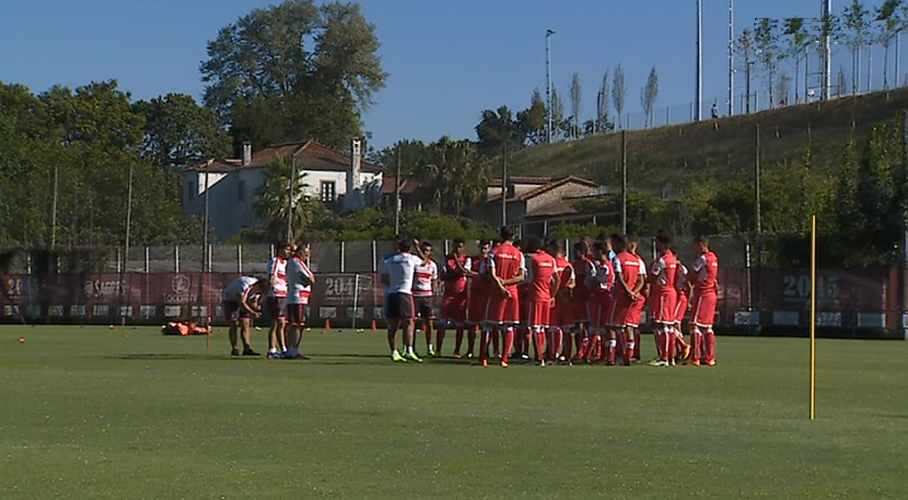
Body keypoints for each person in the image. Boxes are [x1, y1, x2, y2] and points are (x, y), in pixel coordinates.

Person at [481, 226, 526, 368]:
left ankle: (483, 358)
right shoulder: (519, 254)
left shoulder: (494, 252)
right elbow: (521, 276)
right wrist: (507, 284)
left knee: (488, 325)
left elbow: (492, 274)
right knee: (509, 326)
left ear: (500, 236)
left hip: (497, 292)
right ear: (513, 237)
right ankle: (505, 359)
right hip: (512, 292)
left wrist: (501, 286)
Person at [381, 236, 426, 363]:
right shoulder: (412, 259)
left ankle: (394, 352)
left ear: (399, 247)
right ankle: (409, 350)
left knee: (393, 324)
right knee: (409, 322)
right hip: (405, 293)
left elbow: (384, 277)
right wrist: (418, 247)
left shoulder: (390, 260)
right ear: (410, 248)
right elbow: (424, 261)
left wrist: (393, 285)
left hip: (392, 293)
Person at [607, 235, 645, 365]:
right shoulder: (636, 260)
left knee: (613, 326)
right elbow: (641, 279)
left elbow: (619, 277)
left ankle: (612, 358)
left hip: (621, 296)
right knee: (629, 327)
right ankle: (628, 357)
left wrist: (628, 292)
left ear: (618, 244)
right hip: (633, 297)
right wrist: (634, 292)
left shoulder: (618, 259)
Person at [524, 236, 559, 366]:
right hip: (546, 296)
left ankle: (539, 358)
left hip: (535, 296)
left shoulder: (532, 259)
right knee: (543, 327)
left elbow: (527, 277)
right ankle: (542, 355)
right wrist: (552, 295)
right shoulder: (551, 259)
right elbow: (557, 280)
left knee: (535, 327)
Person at [647, 231, 678, 367]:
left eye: (658, 243)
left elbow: (652, 277)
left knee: (662, 324)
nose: (656, 246)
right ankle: (670, 357)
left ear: (663, 244)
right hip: (671, 292)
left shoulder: (662, 261)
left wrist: (642, 279)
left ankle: (664, 357)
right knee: (669, 326)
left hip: (663, 293)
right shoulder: (672, 258)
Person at [688, 235, 719, 366]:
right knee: (707, 327)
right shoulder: (714, 258)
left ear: (701, 245)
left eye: (695, 246)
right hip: (711, 293)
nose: (694, 249)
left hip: (703, 293)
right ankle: (709, 357)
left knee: (694, 324)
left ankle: (695, 358)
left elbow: (692, 276)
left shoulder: (702, 259)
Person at [459, 240, 493, 359]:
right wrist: (480, 275)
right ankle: (470, 350)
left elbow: (490, 275)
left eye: (486, 248)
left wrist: (477, 275)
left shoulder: (491, 259)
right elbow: (466, 271)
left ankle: (486, 350)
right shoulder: (472, 259)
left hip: (487, 293)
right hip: (475, 292)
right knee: (472, 323)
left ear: (489, 248)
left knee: (488, 323)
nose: (483, 250)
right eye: (482, 248)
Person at [438, 238, 472, 357]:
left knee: (460, 324)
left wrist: (457, 263)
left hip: (460, 295)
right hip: (448, 294)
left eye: (459, 247)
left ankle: (457, 350)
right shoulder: (446, 259)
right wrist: (455, 273)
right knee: (442, 322)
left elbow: (464, 272)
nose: (457, 249)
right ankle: (438, 349)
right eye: (455, 247)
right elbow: (443, 275)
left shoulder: (467, 259)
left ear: (463, 248)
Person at [283, 241, 316, 360]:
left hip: (294, 296)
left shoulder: (291, 262)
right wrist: (308, 281)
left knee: (293, 325)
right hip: (299, 298)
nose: (307, 257)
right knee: (298, 325)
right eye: (306, 255)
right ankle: (294, 351)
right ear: (300, 252)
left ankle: (290, 350)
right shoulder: (297, 262)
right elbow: (311, 278)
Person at [223, 276, 268, 356]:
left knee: (246, 323)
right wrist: (253, 313)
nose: (259, 293)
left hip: (245, 299)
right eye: (259, 291)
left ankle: (247, 348)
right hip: (231, 299)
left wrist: (257, 309)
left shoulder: (258, 290)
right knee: (234, 324)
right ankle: (235, 348)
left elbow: (254, 302)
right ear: (257, 286)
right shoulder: (245, 285)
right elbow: (242, 303)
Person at [547, 239, 575, 363]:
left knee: (553, 329)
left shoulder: (552, 263)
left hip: (555, 300)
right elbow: (573, 283)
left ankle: (553, 356)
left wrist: (558, 293)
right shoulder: (568, 265)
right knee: (567, 330)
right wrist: (566, 290)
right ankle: (567, 356)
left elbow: (550, 283)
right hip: (567, 301)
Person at [587, 241, 614, 363]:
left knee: (597, 328)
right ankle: (605, 355)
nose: (593, 253)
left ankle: (589, 356)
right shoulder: (602, 265)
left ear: (600, 252)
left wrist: (591, 281)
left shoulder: (604, 267)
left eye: (595, 251)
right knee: (602, 328)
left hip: (602, 297)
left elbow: (596, 283)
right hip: (602, 297)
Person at [265, 241, 292, 359]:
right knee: (276, 323)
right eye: (287, 249)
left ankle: (283, 349)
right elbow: (272, 276)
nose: (289, 252)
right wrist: (269, 290)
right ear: (280, 250)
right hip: (276, 295)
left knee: (282, 323)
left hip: (283, 295)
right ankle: (272, 350)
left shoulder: (286, 263)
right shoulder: (275, 261)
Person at [412, 241, 439, 356]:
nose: (425, 252)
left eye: (427, 250)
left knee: (429, 322)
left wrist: (433, 293)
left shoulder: (432, 265)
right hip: (415, 295)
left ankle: (429, 347)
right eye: (423, 250)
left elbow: (434, 281)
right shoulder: (414, 263)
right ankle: (410, 347)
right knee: (412, 322)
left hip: (427, 296)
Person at [570, 241, 594, 361]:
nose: (574, 253)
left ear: (582, 252)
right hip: (576, 298)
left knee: (587, 325)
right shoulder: (573, 265)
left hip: (585, 298)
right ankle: (579, 349)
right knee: (578, 325)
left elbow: (591, 281)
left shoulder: (587, 264)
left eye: (576, 251)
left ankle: (588, 350)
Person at [627, 237, 648, 363]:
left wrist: (635, 293)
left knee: (631, 326)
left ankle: (634, 354)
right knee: (629, 326)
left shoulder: (638, 261)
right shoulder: (629, 259)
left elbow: (643, 279)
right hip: (631, 295)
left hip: (634, 297)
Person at [672, 249, 692, 362]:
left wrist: (688, 300)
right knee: (676, 325)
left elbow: (689, 285)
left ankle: (684, 346)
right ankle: (680, 351)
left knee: (672, 323)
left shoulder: (680, 268)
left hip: (680, 296)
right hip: (675, 297)